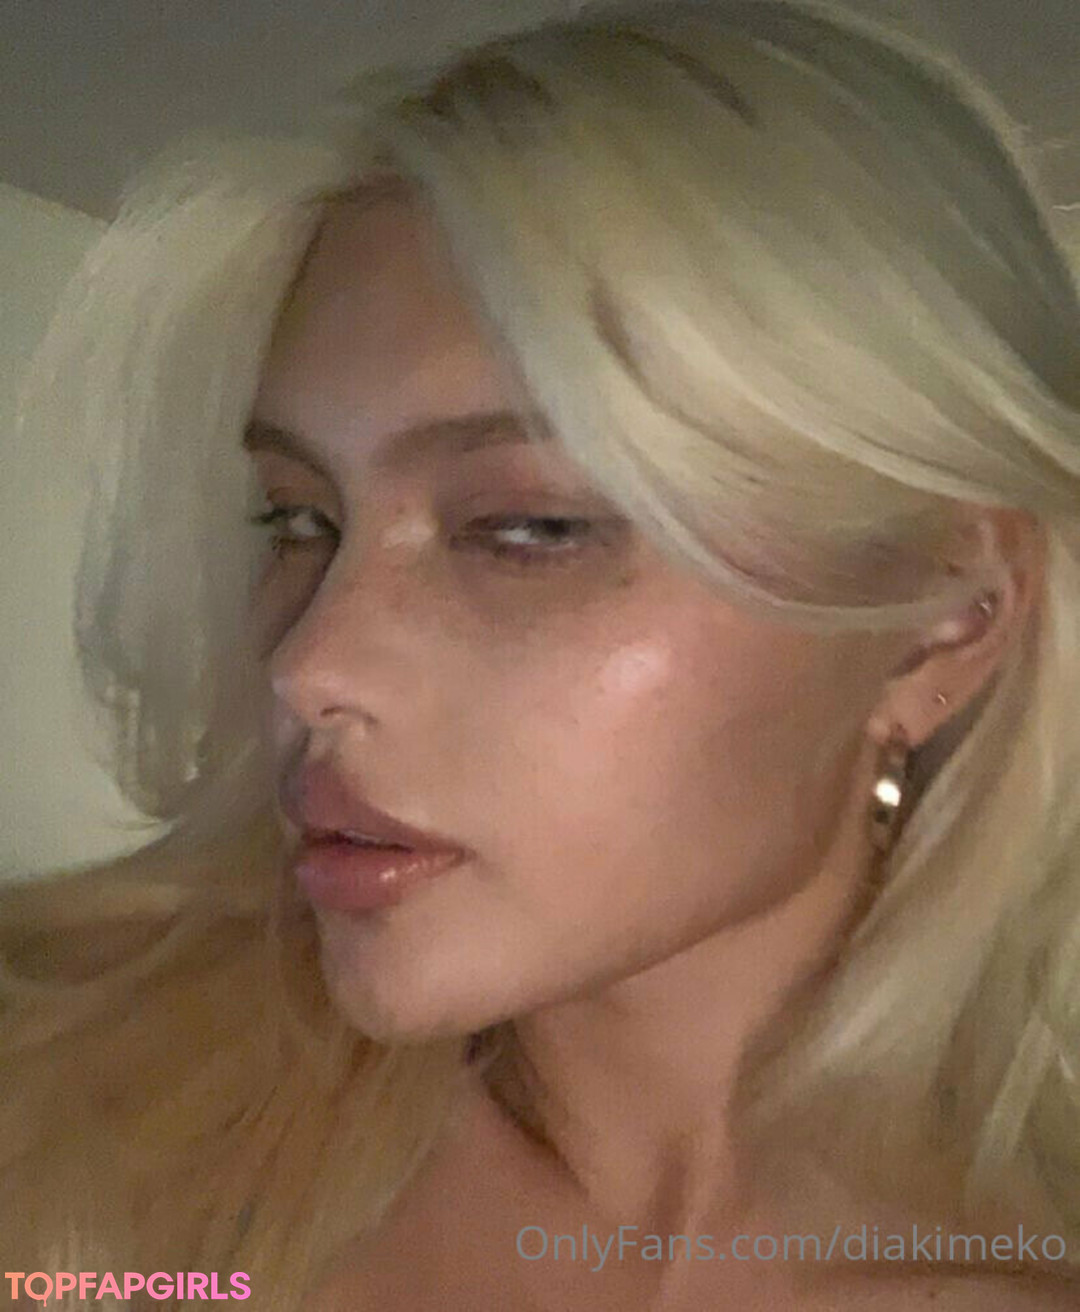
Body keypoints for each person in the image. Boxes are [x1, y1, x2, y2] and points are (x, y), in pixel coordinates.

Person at [3, 0, 1080, 1307]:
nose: (307, 667)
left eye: (527, 528)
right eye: (297, 519)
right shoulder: (65, 1127)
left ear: (944, 615)